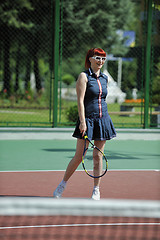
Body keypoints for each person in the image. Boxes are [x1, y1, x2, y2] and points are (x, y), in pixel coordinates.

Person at [53, 48, 116, 200]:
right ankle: (62, 184)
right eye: (97, 58)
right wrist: (82, 122)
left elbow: (103, 99)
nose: (100, 61)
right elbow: (80, 101)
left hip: (103, 120)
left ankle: (96, 189)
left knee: (97, 156)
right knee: (79, 156)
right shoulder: (84, 76)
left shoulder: (104, 78)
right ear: (90, 59)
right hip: (87, 120)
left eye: (103, 59)